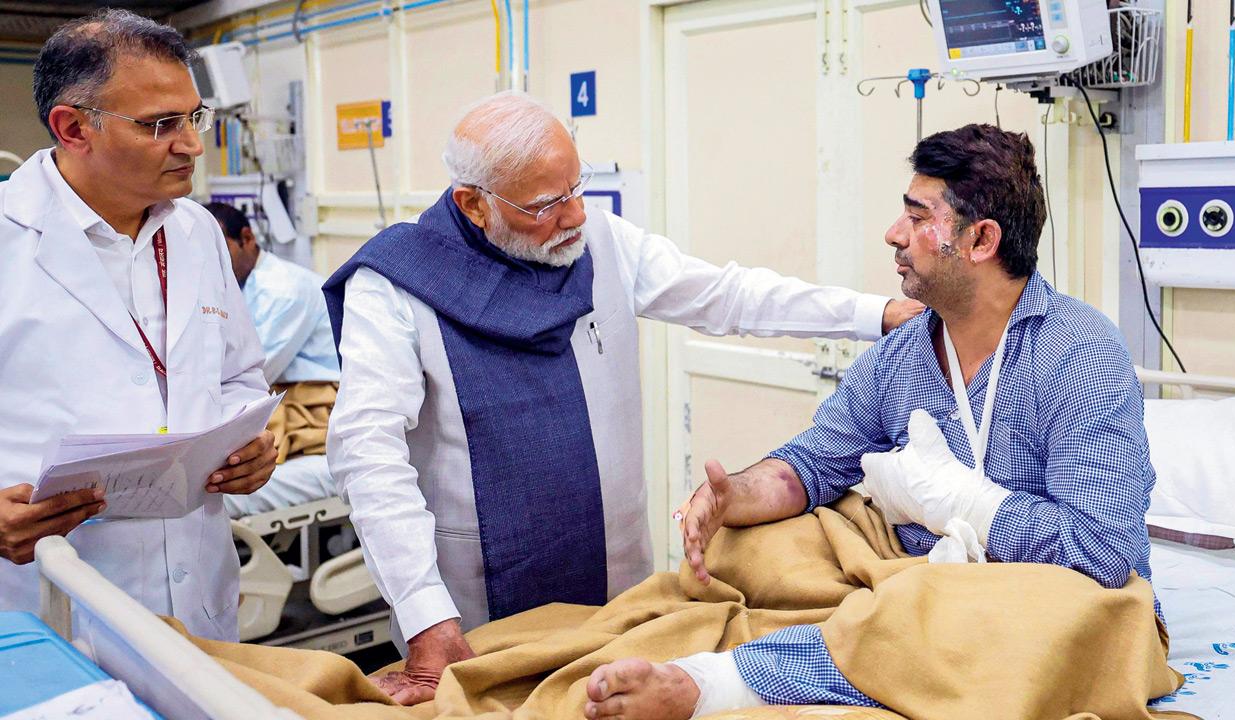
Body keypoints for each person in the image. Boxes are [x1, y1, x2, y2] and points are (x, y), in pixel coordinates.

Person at [323, 91, 925, 705]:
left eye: (576, 187)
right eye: (546, 204)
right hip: (468, 598)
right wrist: (426, 615)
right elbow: (367, 454)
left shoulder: (599, 243)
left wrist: (875, 313)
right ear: (473, 205)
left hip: (612, 570)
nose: (575, 214)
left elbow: (727, 295)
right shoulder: (395, 284)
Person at [583, 124, 1159, 720]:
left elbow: (1106, 551)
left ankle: (715, 683)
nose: (894, 234)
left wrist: (967, 503)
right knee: (762, 547)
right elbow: (814, 463)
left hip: (1037, 598)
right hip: (915, 580)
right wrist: (732, 496)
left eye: (916, 218)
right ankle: (864, 639)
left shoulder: (1080, 353)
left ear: (981, 239)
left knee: (957, 612)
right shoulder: (903, 353)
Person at [0, 9, 274, 642]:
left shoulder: (197, 232)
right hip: (47, 598)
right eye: (160, 125)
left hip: (198, 590)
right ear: (73, 128)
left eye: (193, 117)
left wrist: (248, 448)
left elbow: (238, 374)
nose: (192, 144)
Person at [206, 202, 340, 518]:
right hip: (275, 398)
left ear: (247, 238)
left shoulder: (284, 291)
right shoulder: (233, 285)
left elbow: (252, 374)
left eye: (219, 251)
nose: (211, 264)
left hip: (311, 403)